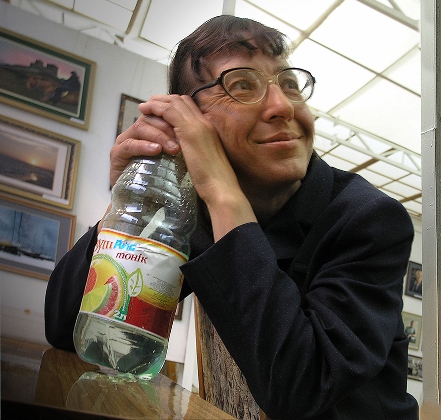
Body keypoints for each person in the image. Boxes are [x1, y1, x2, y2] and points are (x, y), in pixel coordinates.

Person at [44, 16, 418, 419]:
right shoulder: (194, 215)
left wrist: (221, 191)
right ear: (189, 120)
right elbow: (64, 327)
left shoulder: (368, 218)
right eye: (242, 85)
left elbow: (304, 385)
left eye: (290, 84)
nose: (282, 106)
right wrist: (128, 210)